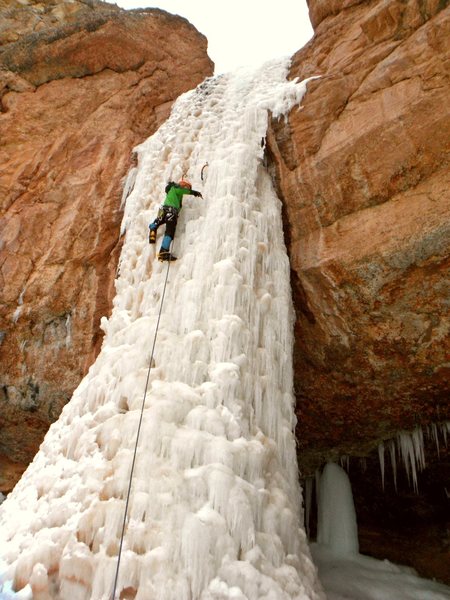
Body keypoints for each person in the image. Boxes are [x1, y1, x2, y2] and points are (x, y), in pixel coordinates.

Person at [149, 179, 203, 261]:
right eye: (187, 187)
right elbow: (183, 191)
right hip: (171, 212)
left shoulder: (171, 191)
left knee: (157, 221)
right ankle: (163, 252)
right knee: (169, 232)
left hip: (163, 210)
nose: (187, 189)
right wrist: (194, 192)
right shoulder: (177, 188)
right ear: (183, 184)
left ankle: (152, 231)